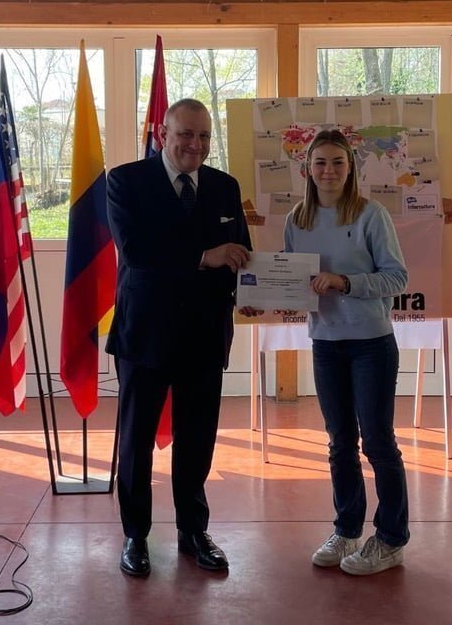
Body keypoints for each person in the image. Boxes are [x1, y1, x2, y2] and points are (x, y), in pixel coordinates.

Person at [106, 98, 252, 577]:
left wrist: (263, 290)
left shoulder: (225, 186)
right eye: (186, 134)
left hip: (205, 334)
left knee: (198, 438)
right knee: (136, 441)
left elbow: (241, 253)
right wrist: (206, 256)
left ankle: (194, 531)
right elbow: (137, 250)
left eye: (204, 136)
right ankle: (136, 535)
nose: (196, 144)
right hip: (145, 333)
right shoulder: (125, 181)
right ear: (162, 134)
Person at [283, 129, 410, 576]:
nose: (329, 171)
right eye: (320, 162)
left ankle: (391, 539)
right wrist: (263, 295)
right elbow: (292, 279)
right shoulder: (297, 219)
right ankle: (347, 529)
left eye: (338, 162)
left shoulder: (371, 214)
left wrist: (346, 283)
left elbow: (397, 278)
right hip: (326, 344)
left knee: (377, 441)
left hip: (371, 344)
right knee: (339, 443)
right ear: (307, 169)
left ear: (351, 167)